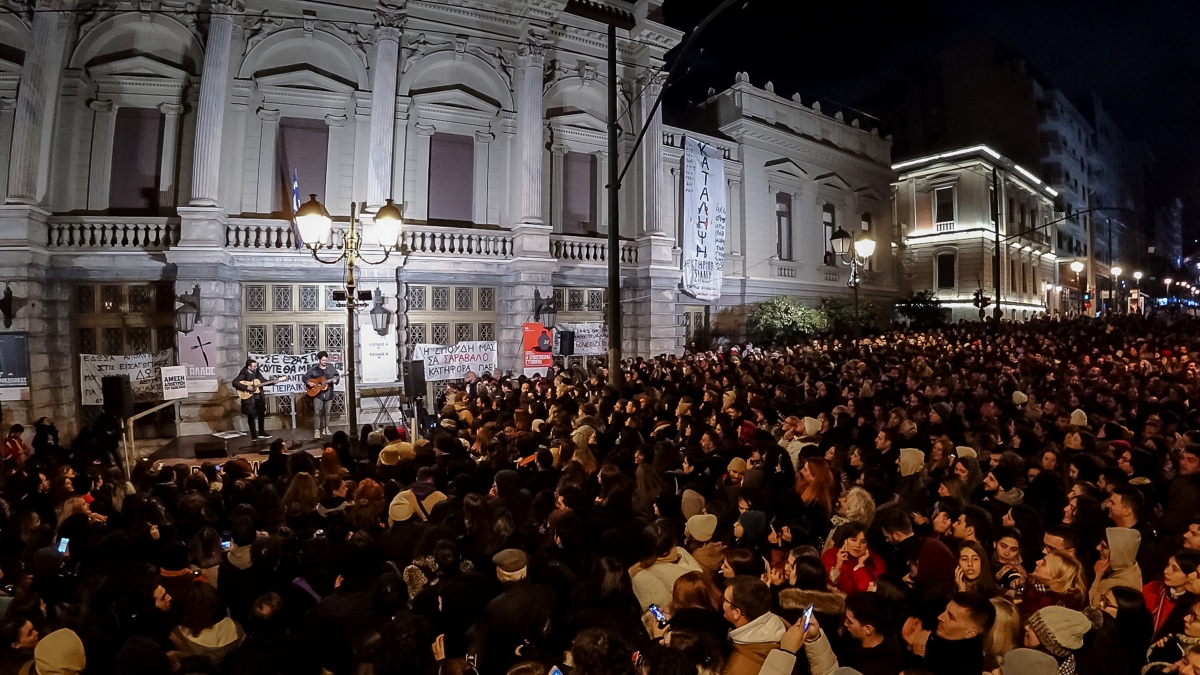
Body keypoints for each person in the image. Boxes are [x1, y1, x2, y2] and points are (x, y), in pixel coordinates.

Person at [901, 591, 995, 675]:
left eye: (951, 617)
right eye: (945, 610)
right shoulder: (940, 631)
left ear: (970, 633)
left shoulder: (967, 667)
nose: (940, 617)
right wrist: (910, 644)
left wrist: (918, 657)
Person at [722, 575, 789, 675]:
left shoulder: (735, 669)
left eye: (724, 600)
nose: (722, 603)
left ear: (736, 612)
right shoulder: (782, 623)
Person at [822, 522, 885, 594]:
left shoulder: (876, 562)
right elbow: (824, 585)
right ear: (845, 541)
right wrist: (838, 566)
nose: (858, 545)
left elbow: (867, 593)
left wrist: (860, 566)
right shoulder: (831, 555)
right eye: (853, 540)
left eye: (863, 542)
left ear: (868, 545)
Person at [232, 358, 273, 443]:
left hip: (259, 398)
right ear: (249, 367)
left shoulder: (257, 372)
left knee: (261, 414)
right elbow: (235, 382)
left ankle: (262, 432)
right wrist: (247, 387)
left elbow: (262, 381)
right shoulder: (243, 374)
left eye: (256, 366)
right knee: (251, 417)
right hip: (249, 399)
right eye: (254, 366)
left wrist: (273, 382)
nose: (256, 367)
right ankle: (254, 436)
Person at [306, 351, 340, 439]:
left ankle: (326, 428)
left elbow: (337, 375)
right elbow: (305, 377)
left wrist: (336, 380)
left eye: (326, 360)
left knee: (327, 412)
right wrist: (309, 383)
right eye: (323, 360)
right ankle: (316, 430)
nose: (325, 362)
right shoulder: (314, 369)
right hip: (317, 394)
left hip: (329, 393)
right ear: (319, 360)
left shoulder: (331, 368)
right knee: (317, 412)